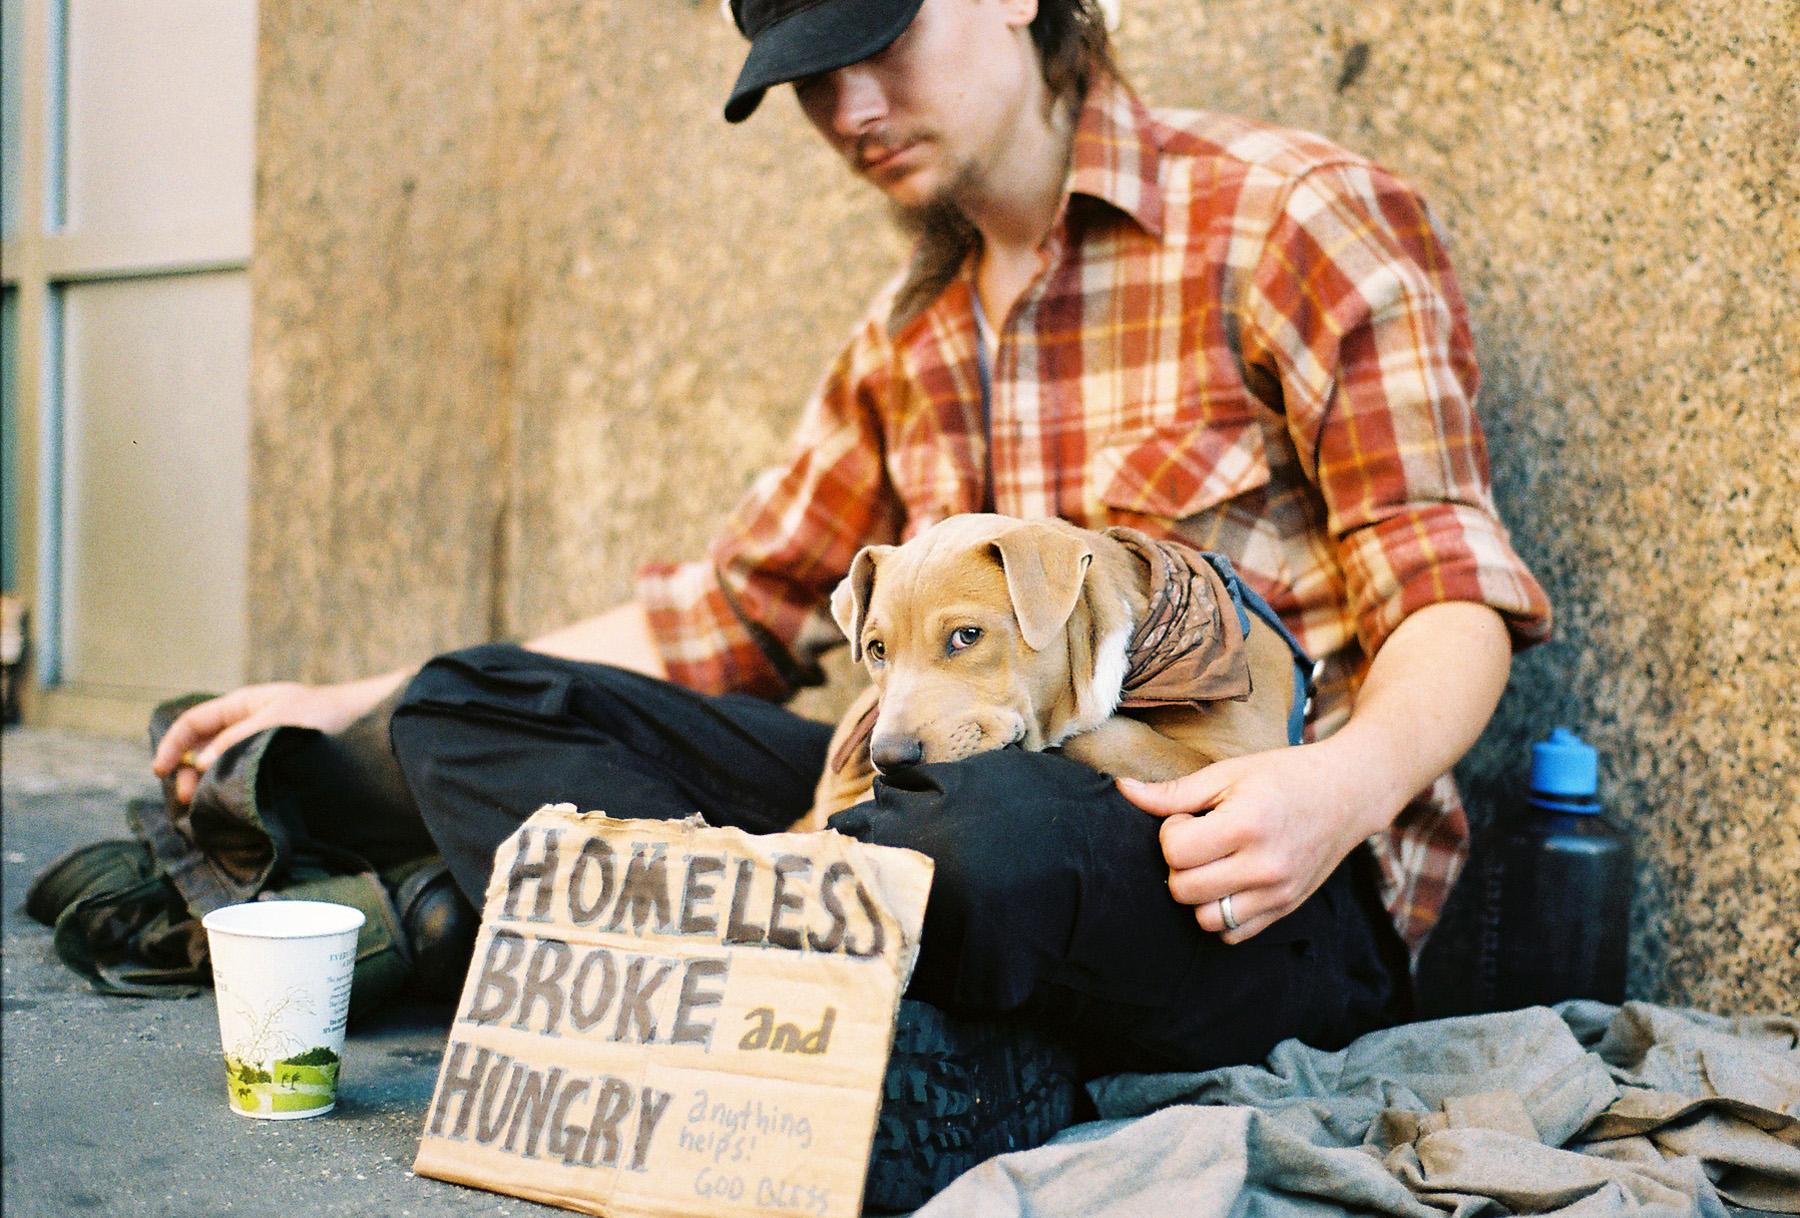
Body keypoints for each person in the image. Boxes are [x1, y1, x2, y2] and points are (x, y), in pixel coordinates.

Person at [154, 0, 1549, 1084]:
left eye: (877, 39)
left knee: (986, 829)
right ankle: (797, 977)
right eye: (809, 75)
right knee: (468, 703)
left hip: (1241, 875)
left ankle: (539, 927)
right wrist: (365, 699)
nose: (848, 107)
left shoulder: (1290, 218)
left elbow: (1450, 594)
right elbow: (729, 612)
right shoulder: (909, 333)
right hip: (938, 822)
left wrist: (1335, 791)